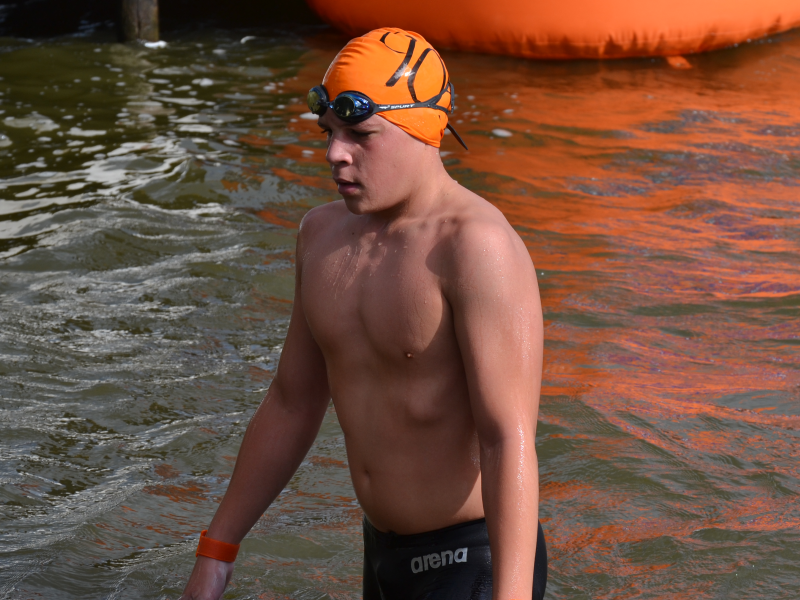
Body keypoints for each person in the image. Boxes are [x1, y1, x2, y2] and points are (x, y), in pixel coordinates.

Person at [180, 27, 546, 600]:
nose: (335, 153)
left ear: (422, 129)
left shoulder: (475, 247)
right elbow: (292, 401)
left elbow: (508, 438)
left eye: (360, 134)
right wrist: (217, 549)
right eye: (329, 132)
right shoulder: (321, 236)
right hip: (380, 554)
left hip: (472, 559)